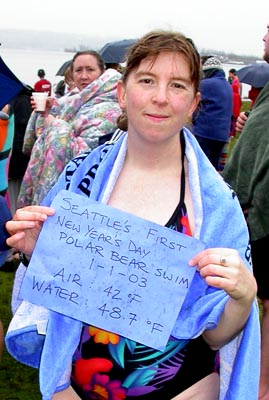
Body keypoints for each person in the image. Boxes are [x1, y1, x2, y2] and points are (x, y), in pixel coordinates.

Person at [5, 30, 260, 400]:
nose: (160, 97)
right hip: (76, 391)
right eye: (146, 80)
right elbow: (56, 289)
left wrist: (243, 296)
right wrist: (35, 252)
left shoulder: (216, 205)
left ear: (194, 103)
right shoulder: (82, 179)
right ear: (123, 93)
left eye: (176, 85)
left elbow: (216, 334)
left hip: (183, 390)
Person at [222, 23, 269, 400]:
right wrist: (247, 121)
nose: (265, 36)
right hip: (250, 208)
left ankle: (261, 386)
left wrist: (255, 218)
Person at [17, 50, 122, 208]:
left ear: (102, 73)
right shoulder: (70, 103)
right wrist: (45, 113)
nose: (83, 76)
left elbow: (90, 155)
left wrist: (56, 125)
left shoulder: (110, 108)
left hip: (81, 193)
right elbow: (37, 140)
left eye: (90, 69)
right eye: (78, 70)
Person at [191, 56, 233, 170]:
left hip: (205, 132)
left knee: (197, 166)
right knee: (212, 168)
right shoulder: (228, 86)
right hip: (222, 135)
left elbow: (191, 101)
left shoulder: (206, 84)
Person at [8, 84, 33, 215]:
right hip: (21, 157)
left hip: (16, 157)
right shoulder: (25, 100)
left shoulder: (17, 101)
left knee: (14, 194)